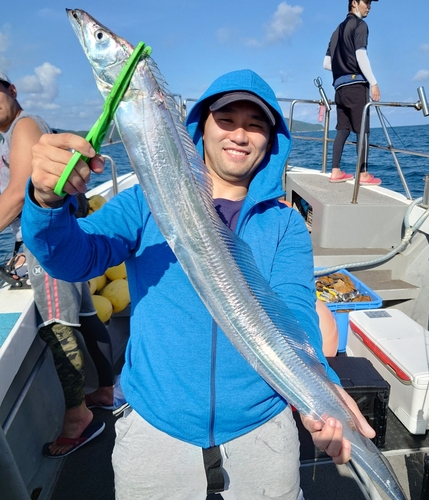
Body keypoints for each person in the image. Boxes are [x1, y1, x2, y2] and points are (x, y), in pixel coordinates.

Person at [23, 69, 374, 499]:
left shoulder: (284, 224)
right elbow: (71, 257)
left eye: (256, 124)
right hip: (156, 420)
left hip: (261, 421)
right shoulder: (147, 201)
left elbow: (295, 311)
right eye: (227, 119)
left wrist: (319, 387)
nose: (240, 135)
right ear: (200, 127)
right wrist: (47, 201)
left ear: (272, 141)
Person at [0, 70, 114, 458]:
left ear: (12, 91)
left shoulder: (23, 127)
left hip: (44, 238)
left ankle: (77, 418)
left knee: (56, 327)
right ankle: (106, 390)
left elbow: (18, 195)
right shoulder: (15, 131)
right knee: (83, 314)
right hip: (63, 232)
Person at [324, 0, 381, 185]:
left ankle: (335, 171)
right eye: (366, 2)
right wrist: (373, 83)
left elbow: (326, 64)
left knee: (342, 130)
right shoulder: (360, 25)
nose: (369, 6)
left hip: (339, 88)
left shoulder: (335, 32)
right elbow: (361, 55)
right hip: (356, 85)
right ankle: (363, 174)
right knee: (362, 131)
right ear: (354, 3)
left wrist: (341, 67)